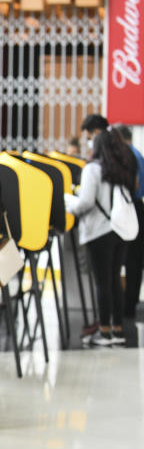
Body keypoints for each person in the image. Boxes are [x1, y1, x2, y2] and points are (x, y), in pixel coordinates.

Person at [65, 128, 138, 346]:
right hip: (119, 230)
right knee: (115, 279)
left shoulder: (92, 170)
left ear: (97, 146)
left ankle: (103, 331)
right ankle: (117, 328)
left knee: (102, 282)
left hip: (98, 231)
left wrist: (69, 201)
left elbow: (86, 203)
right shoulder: (123, 168)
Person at [113, 124, 144, 322]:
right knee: (135, 261)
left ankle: (124, 308)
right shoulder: (138, 155)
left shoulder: (126, 156)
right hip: (138, 207)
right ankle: (130, 305)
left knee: (123, 260)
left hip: (128, 207)